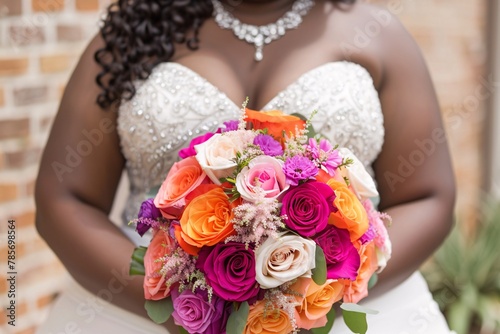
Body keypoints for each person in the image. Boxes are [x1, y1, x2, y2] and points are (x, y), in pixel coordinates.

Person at [35, 0, 456, 333]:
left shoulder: (378, 32)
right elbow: (64, 199)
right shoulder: (133, 32)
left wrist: (319, 301)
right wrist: (187, 310)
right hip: (145, 314)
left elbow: (428, 196)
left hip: (341, 314)